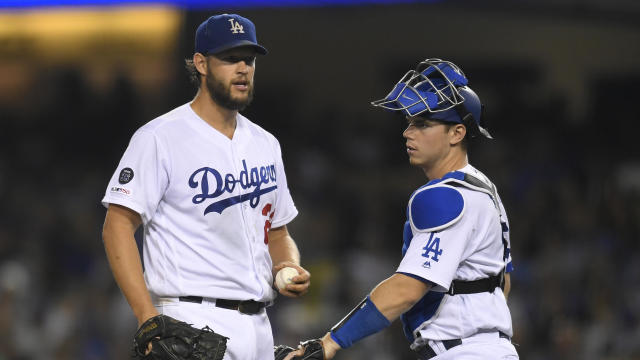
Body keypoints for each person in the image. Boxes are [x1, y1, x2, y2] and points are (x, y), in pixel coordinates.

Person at [101, 13, 311, 360]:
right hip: (190, 320)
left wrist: (285, 264)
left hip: (260, 325)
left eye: (249, 59)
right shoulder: (160, 137)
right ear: (201, 63)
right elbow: (117, 226)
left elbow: (277, 230)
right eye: (230, 59)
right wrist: (146, 316)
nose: (243, 68)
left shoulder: (265, 143)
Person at [282, 59, 517, 359]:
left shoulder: (443, 195)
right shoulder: (485, 188)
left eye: (422, 124)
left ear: (457, 133)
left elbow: (407, 289)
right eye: (409, 122)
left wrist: (331, 342)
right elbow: (503, 283)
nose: (408, 132)